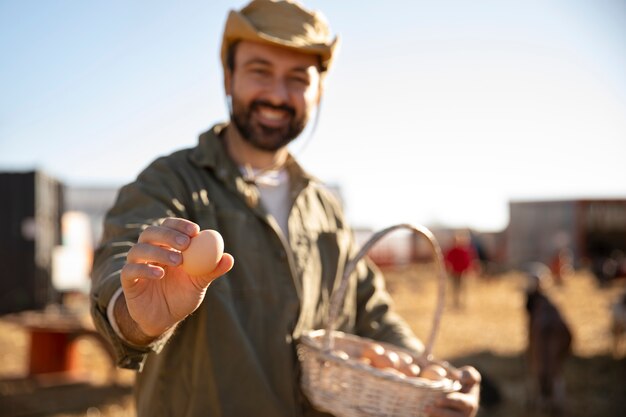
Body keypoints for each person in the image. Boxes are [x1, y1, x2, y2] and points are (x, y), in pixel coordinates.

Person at [89, 1, 480, 416]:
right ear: (228, 76)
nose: (277, 94)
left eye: (297, 78)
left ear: (319, 90)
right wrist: (139, 316)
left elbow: (370, 309)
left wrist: (426, 379)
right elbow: (119, 267)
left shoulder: (324, 207)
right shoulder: (171, 182)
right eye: (260, 71)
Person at [444, 230, 478, 309]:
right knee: (454, 288)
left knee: (462, 288)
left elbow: (467, 261)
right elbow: (447, 260)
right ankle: (454, 303)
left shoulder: (464, 250)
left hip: (462, 273)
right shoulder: (452, 251)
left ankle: (461, 304)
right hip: (454, 273)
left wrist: (470, 269)